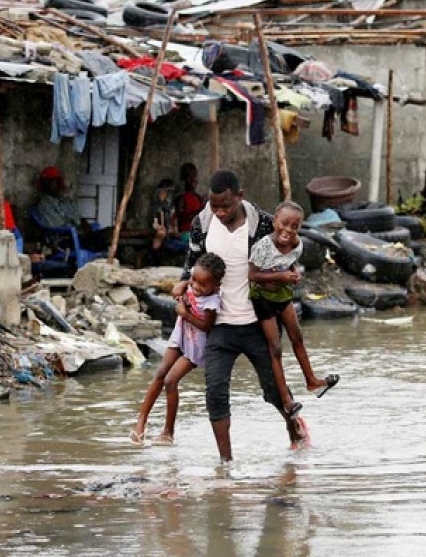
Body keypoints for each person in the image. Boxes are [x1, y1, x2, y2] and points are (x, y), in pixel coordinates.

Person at [173, 169, 309, 462]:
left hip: (257, 322)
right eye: (214, 205)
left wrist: (291, 273)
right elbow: (193, 258)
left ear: (240, 197)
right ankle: (226, 463)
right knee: (215, 394)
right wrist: (184, 280)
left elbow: (288, 252)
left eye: (226, 205)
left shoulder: (262, 224)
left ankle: (295, 432)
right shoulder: (203, 222)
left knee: (273, 392)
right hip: (220, 325)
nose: (220, 212)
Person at [248, 200, 339, 419]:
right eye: (284, 223)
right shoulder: (262, 246)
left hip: (282, 295)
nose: (288, 230)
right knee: (276, 349)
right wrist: (281, 276)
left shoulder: (297, 245)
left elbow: (290, 262)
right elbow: (252, 275)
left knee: (297, 337)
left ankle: (312, 381)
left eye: (294, 226)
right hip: (263, 299)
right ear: (274, 222)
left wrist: (293, 273)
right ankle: (286, 401)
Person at [130, 252, 226, 446]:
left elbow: (207, 327)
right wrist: (183, 284)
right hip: (180, 333)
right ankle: (141, 421)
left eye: (202, 285)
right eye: (194, 280)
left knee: (171, 381)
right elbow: (180, 287)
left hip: (196, 345)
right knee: (160, 372)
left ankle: (168, 431)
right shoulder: (192, 281)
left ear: (216, 286)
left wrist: (185, 313)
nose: (196, 287)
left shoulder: (211, 302)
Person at [35, 166, 112, 252]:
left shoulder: (66, 201)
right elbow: (57, 225)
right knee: (106, 238)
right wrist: (78, 228)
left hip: (81, 236)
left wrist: (83, 222)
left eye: (58, 181)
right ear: (45, 183)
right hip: (66, 240)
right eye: (53, 181)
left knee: (111, 231)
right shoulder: (44, 205)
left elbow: (77, 217)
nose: (57, 184)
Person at [148, 178, 187, 265]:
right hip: (161, 238)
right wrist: (159, 227)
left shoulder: (169, 207)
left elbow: (173, 225)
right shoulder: (156, 205)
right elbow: (154, 222)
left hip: (169, 237)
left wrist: (174, 232)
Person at [175, 162, 205, 242]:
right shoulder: (181, 198)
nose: (193, 179)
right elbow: (181, 219)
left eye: (194, 176)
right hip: (186, 233)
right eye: (189, 177)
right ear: (184, 180)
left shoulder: (198, 198)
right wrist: (199, 211)